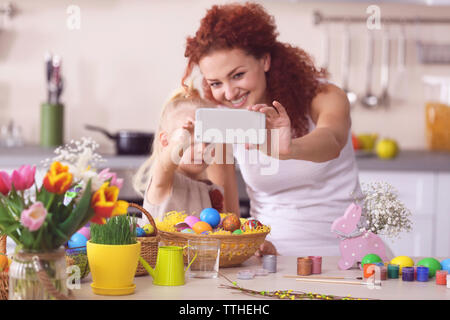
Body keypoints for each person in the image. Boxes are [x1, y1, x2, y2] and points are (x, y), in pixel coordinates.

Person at [181, 2, 363, 256]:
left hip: (344, 251)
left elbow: (332, 140)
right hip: (270, 255)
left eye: (237, 75)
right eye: (215, 83)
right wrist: (243, 247)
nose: (230, 93)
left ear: (264, 60)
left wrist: (289, 149)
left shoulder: (323, 94)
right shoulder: (223, 118)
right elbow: (226, 210)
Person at [133, 86, 227, 224]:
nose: (202, 149)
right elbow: (165, 164)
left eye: (208, 141)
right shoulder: (166, 181)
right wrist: (181, 142)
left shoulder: (211, 190)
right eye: (190, 142)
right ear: (165, 141)